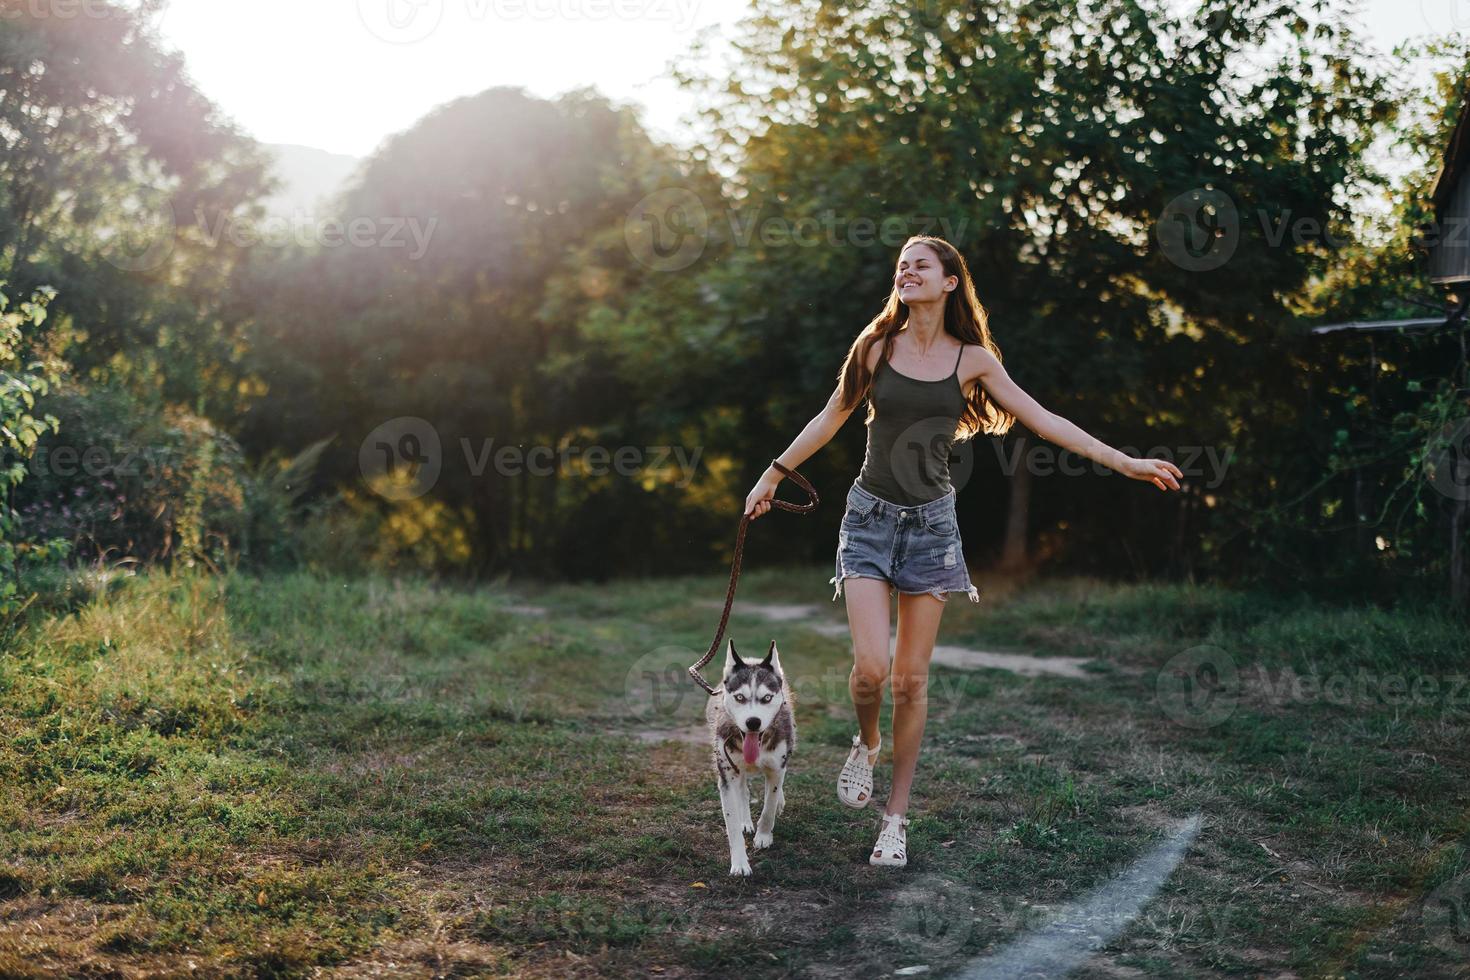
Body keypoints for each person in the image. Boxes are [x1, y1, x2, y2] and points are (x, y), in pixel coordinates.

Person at [741, 235, 1183, 868]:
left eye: (921, 264)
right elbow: (831, 416)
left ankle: (894, 818)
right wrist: (771, 475)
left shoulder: (972, 359)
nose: (906, 271)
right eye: (901, 264)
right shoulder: (874, 349)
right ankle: (866, 743)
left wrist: (1124, 461)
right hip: (868, 520)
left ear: (950, 282)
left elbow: (1042, 418)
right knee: (871, 670)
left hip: (932, 532)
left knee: (910, 682)